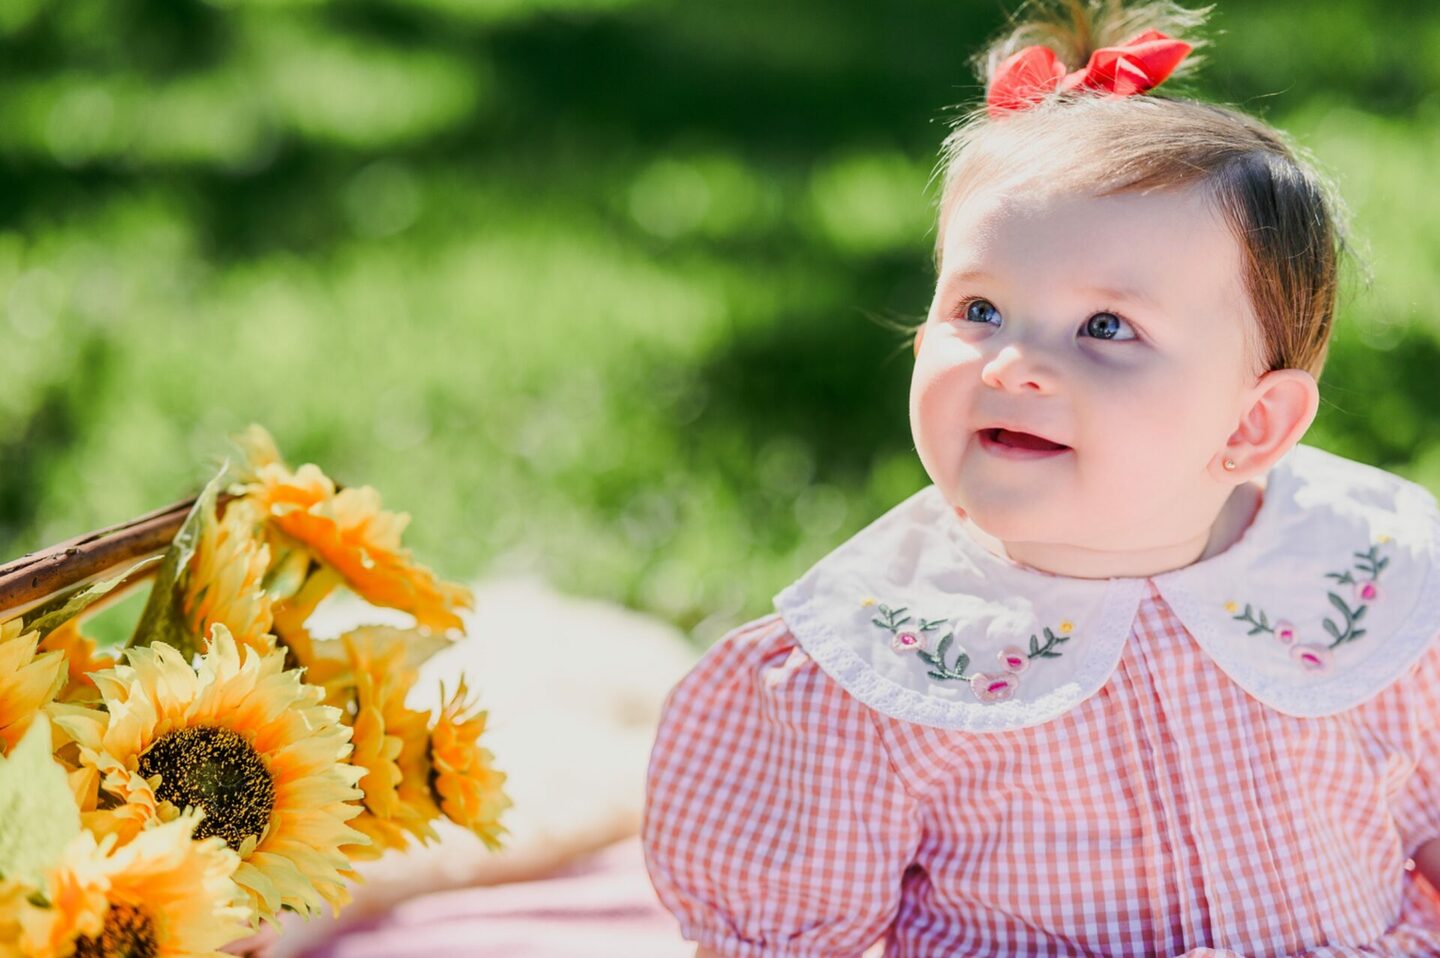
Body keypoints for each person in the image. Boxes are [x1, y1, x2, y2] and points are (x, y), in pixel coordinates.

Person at [641, 0, 1440, 955]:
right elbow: (774, 940)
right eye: (977, 307)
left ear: (1251, 422)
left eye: (1106, 327)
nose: (1011, 363)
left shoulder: (1368, 575)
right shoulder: (884, 659)